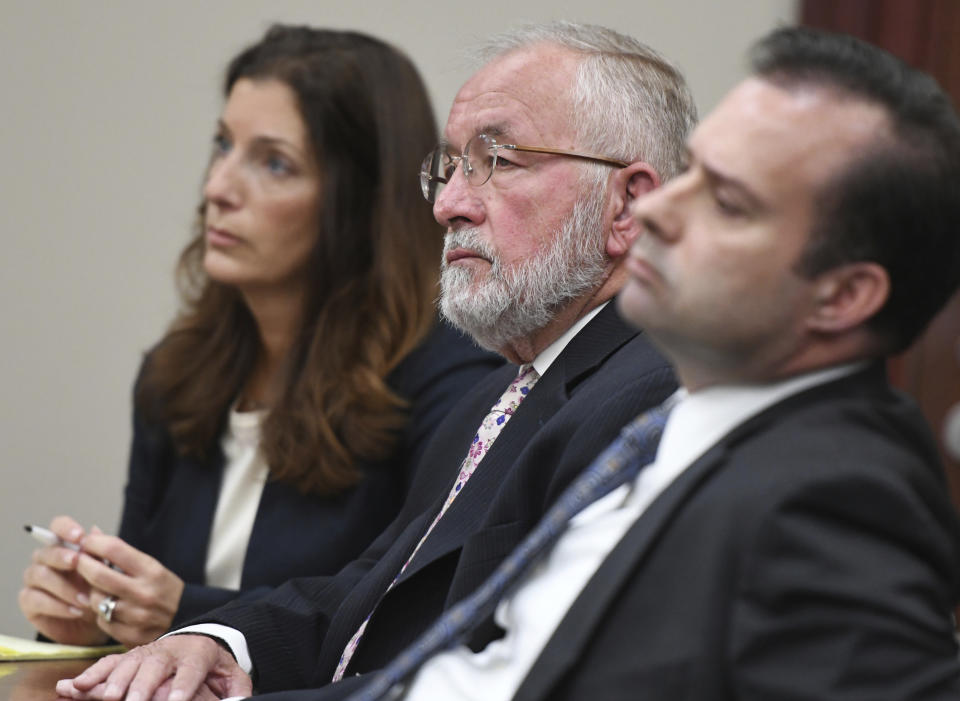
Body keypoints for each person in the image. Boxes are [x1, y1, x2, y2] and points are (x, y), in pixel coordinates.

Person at [56, 21, 695, 701]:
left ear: (628, 201)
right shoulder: (494, 403)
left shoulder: (650, 397)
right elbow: (359, 604)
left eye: (500, 160)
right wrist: (212, 640)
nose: (449, 204)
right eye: (449, 166)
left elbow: (503, 677)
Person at [345, 26, 960, 701]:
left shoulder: (836, 499)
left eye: (726, 201)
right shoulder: (681, 429)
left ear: (841, 296)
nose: (658, 209)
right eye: (691, 172)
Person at [19, 24, 501, 650]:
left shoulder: (453, 384)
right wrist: (87, 610)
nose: (218, 188)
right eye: (223, 145)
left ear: (357, 203)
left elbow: (399, 625)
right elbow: (132, 618)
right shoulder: (177, 376)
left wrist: (181, 613)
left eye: (274, 163)